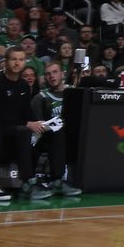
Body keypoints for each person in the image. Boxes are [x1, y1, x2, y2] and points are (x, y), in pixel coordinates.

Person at [0, 48, 51, 201]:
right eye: (13, 59)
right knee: (23, 131)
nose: (17, 63)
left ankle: (56, 179)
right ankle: (27, 184)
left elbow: (27, 112)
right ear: (6, 62)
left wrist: (39, 123)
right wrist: (27, 123)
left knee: (54, 130)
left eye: (21, 59)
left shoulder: (23, 85)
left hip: (16, 128)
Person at [29, 61, 82, 197]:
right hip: (47, 139)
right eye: (48, 74)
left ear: (62, 74)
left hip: (74, 136)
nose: (52, 76)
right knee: (58, 131)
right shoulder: (40, 98)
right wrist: (57, 124)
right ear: (45, 78)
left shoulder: (74, 93)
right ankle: (57, 181)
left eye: (55, 72)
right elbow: (38, 127)